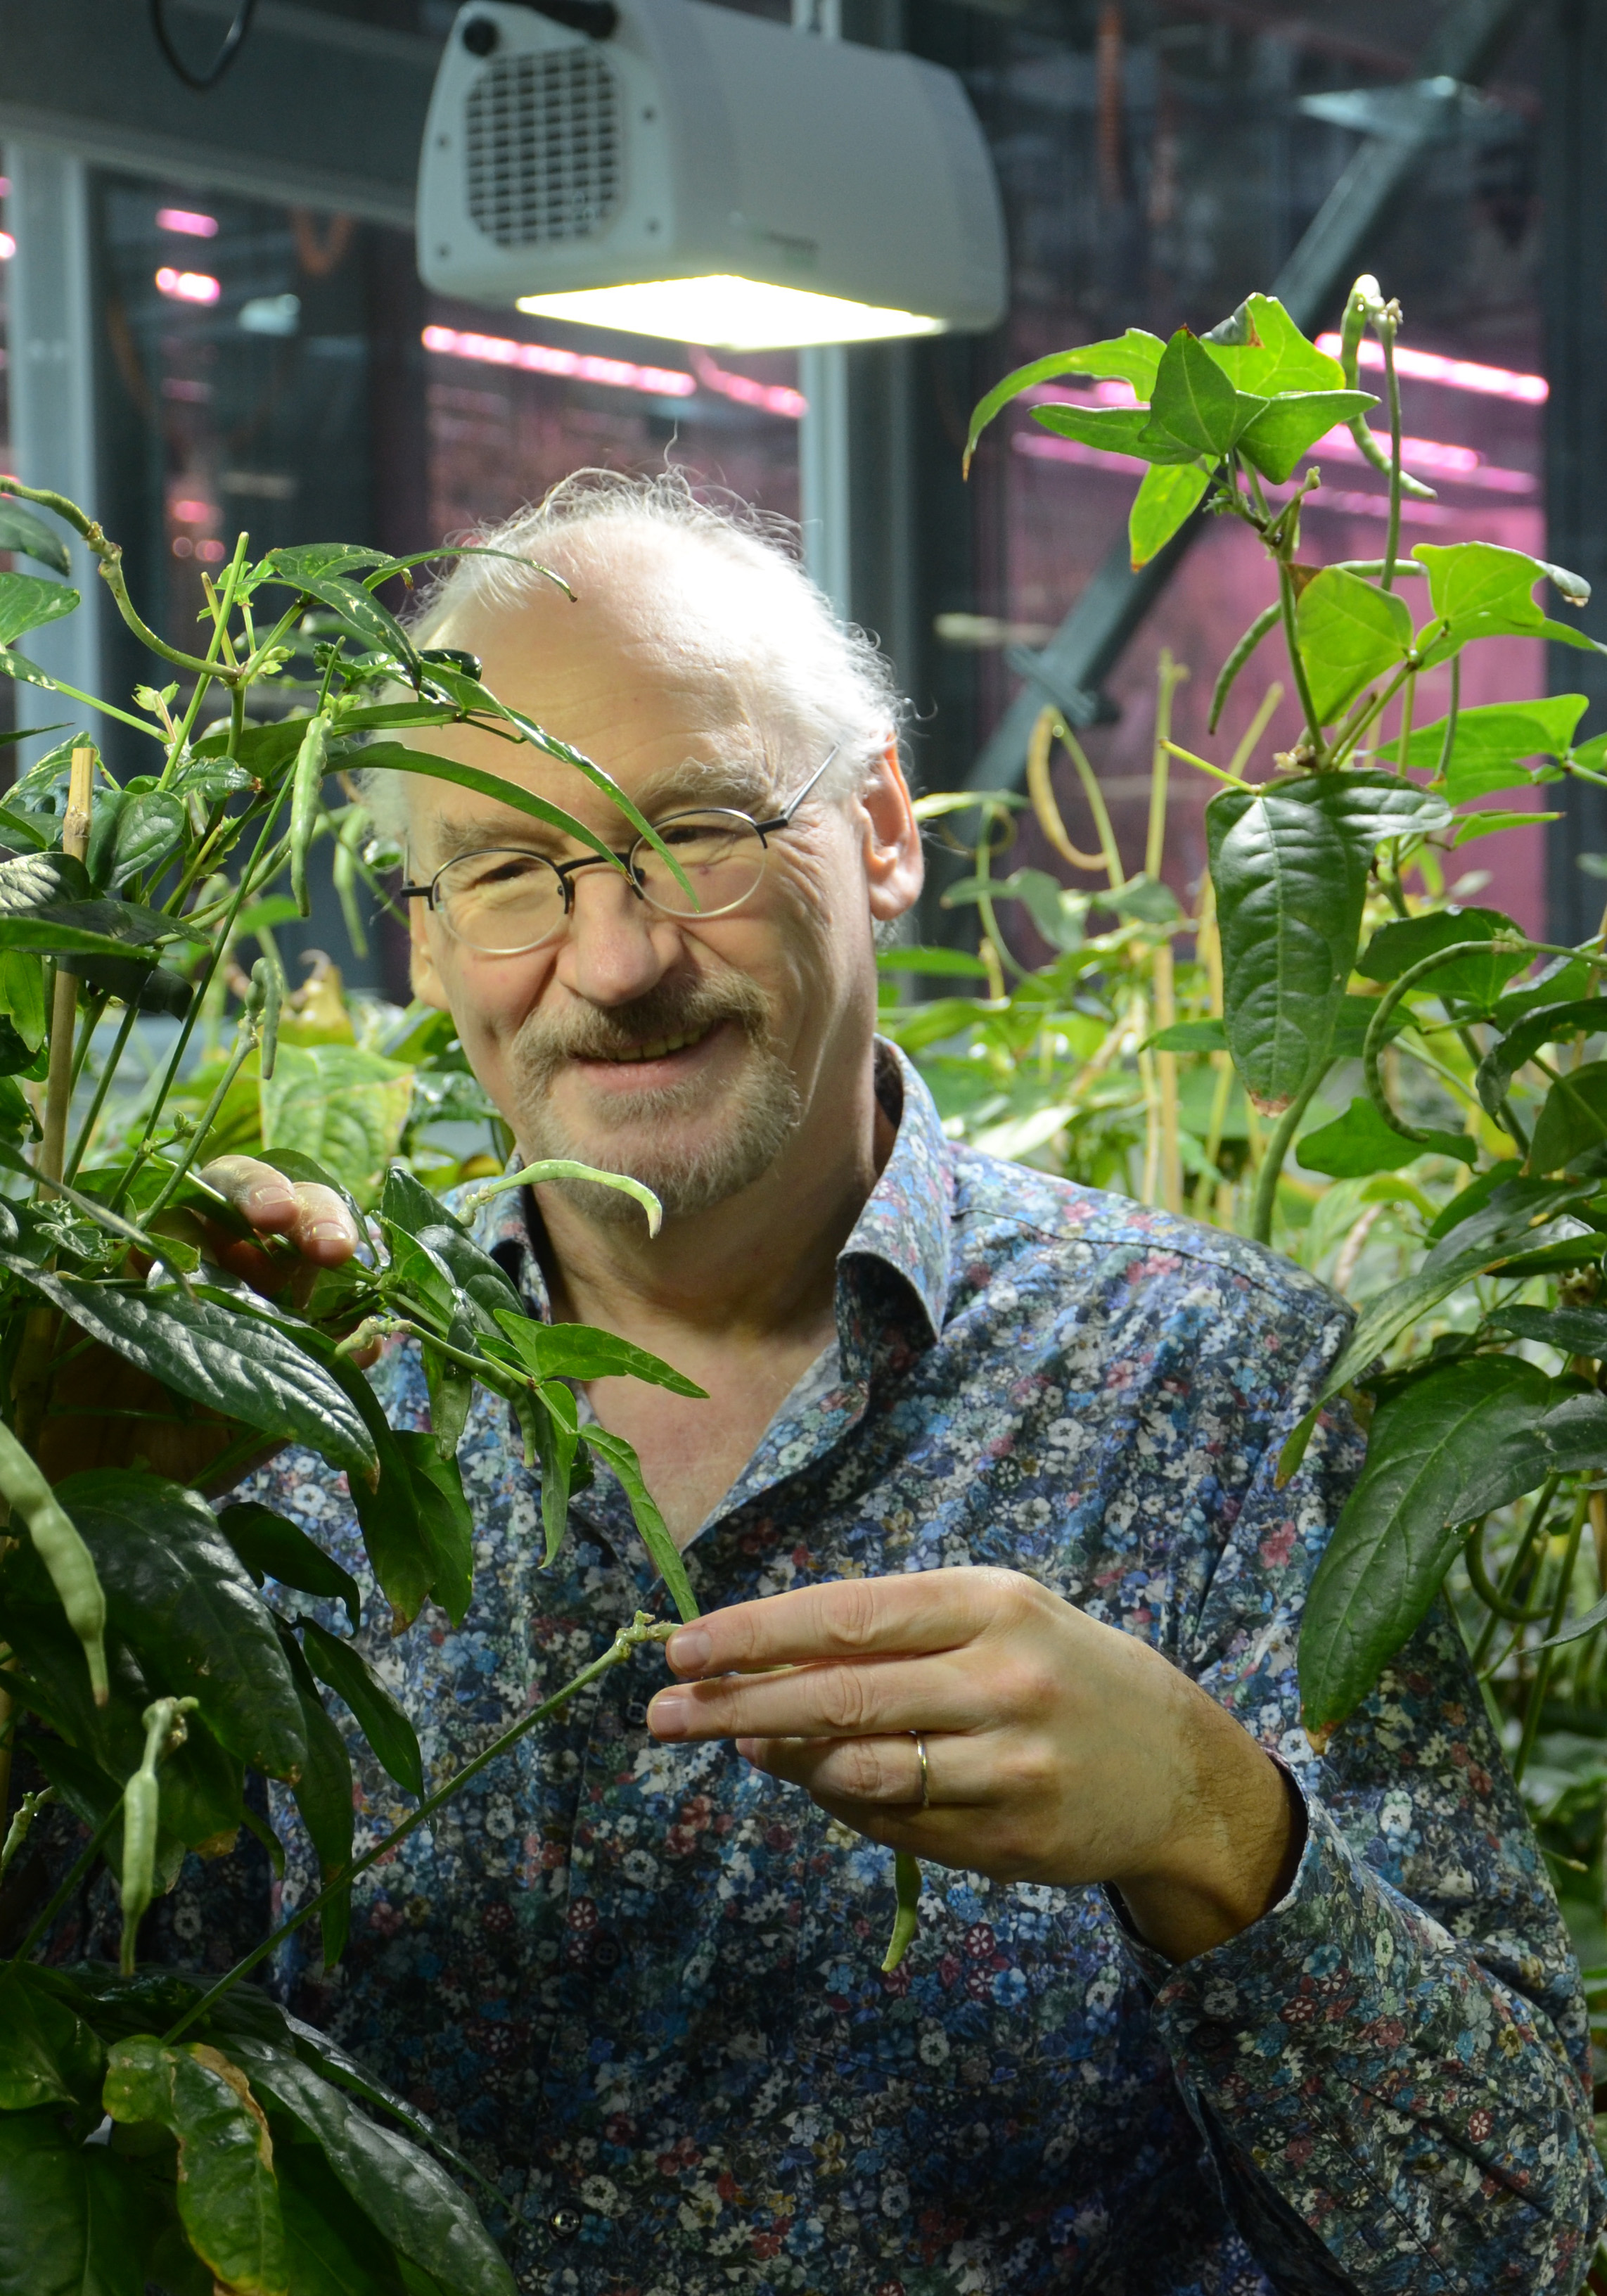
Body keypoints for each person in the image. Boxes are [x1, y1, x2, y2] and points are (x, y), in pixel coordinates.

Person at [186, 473, 1599, 2295]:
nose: (615, 963)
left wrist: (1213, 1825)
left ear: (877, 832)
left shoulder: (1212, 1379)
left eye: (691, 834)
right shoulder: (287, 1395)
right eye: (517, 871)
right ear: (427, 936)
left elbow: (1516, 2237)